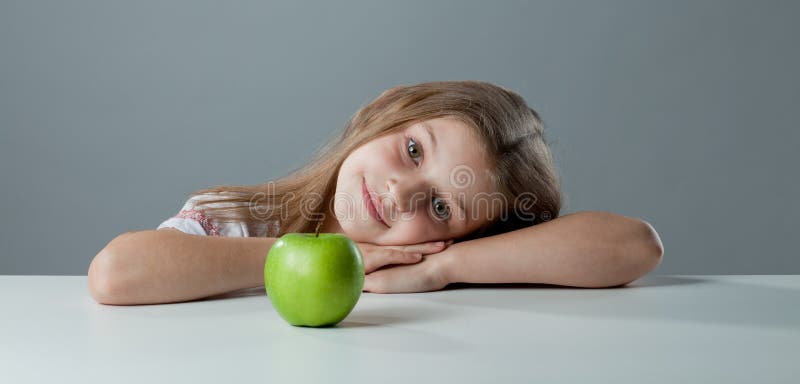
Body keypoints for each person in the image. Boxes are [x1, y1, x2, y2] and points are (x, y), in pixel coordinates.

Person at [88, 80, 663, 305]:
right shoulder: (241, 220)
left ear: (463, 235)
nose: (399, 192)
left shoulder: (434, 267)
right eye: (413, 151)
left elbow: (635, 246)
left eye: (442, 207)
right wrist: (335, 259)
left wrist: (446, 268)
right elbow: (115, 274)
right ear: (385, 112)